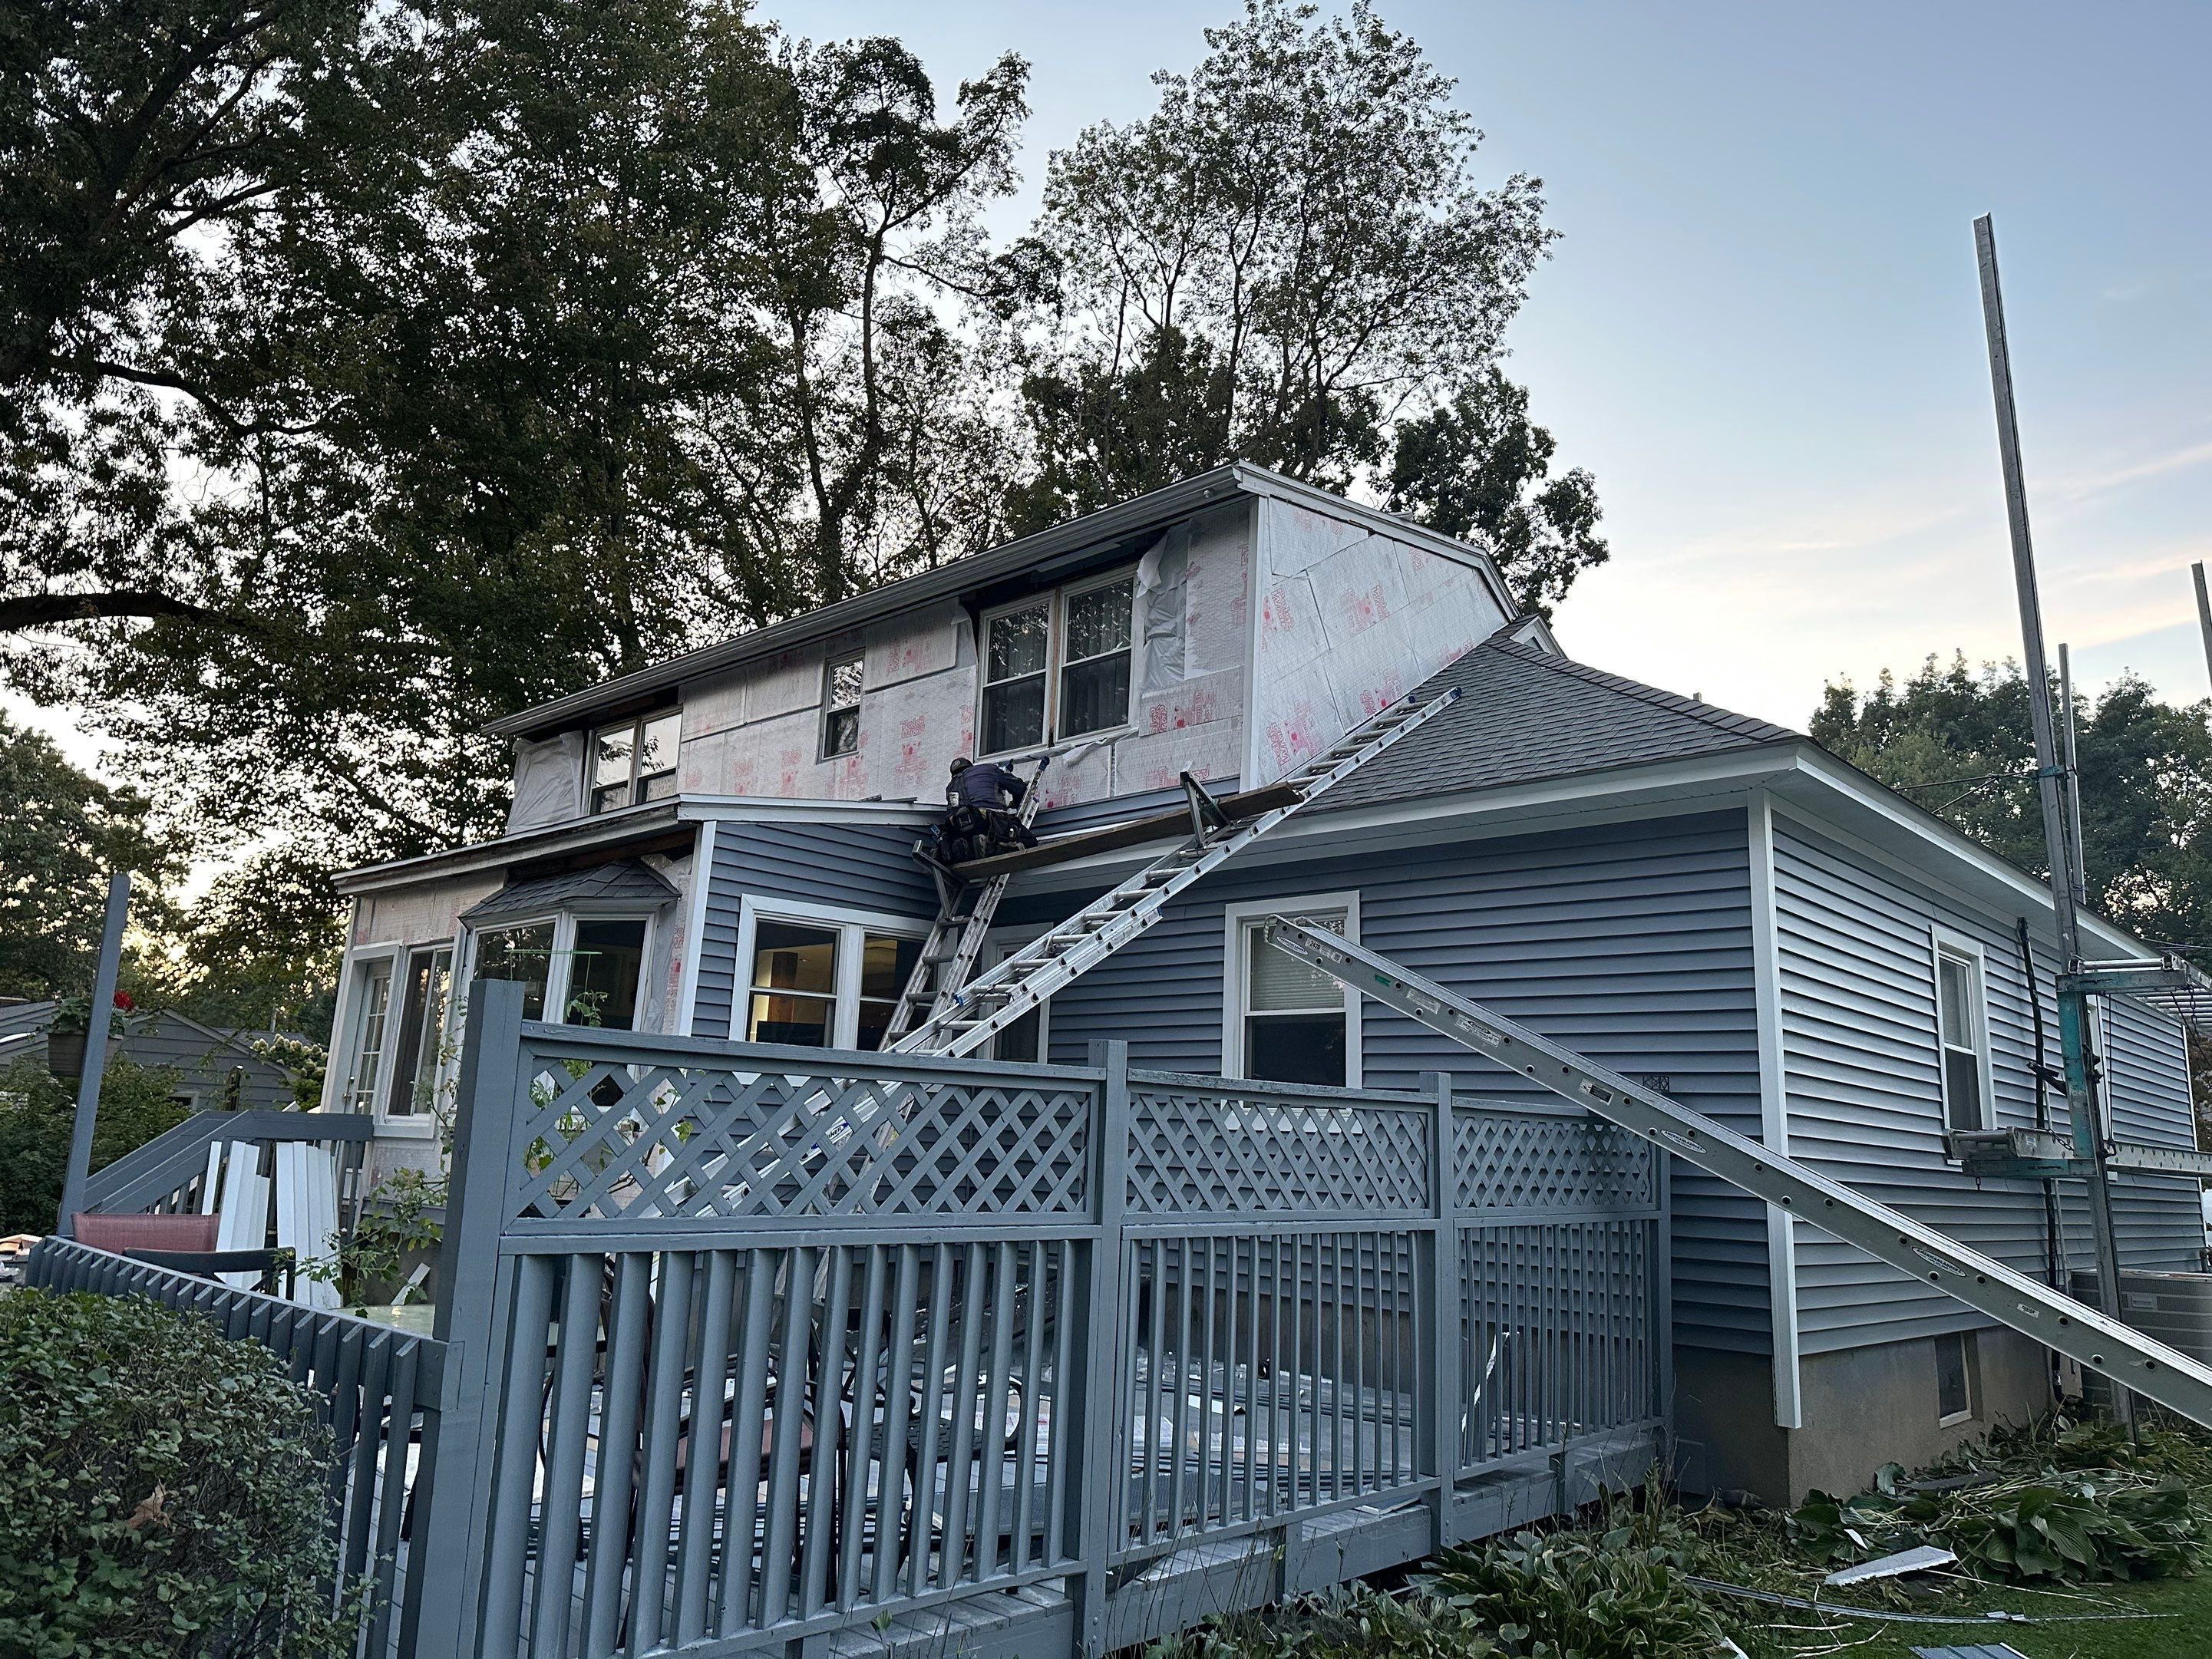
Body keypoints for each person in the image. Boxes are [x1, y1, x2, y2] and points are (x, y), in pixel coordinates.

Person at [936, 757, 1037, 864]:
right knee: (1030, 841)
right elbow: (1019, 788)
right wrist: (1017, 803)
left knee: (969, 844)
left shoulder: (950, 787)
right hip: (988, 821)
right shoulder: (989, 769)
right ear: (970, 767)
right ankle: (989, 847)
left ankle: (968, 848)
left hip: (958, 827)